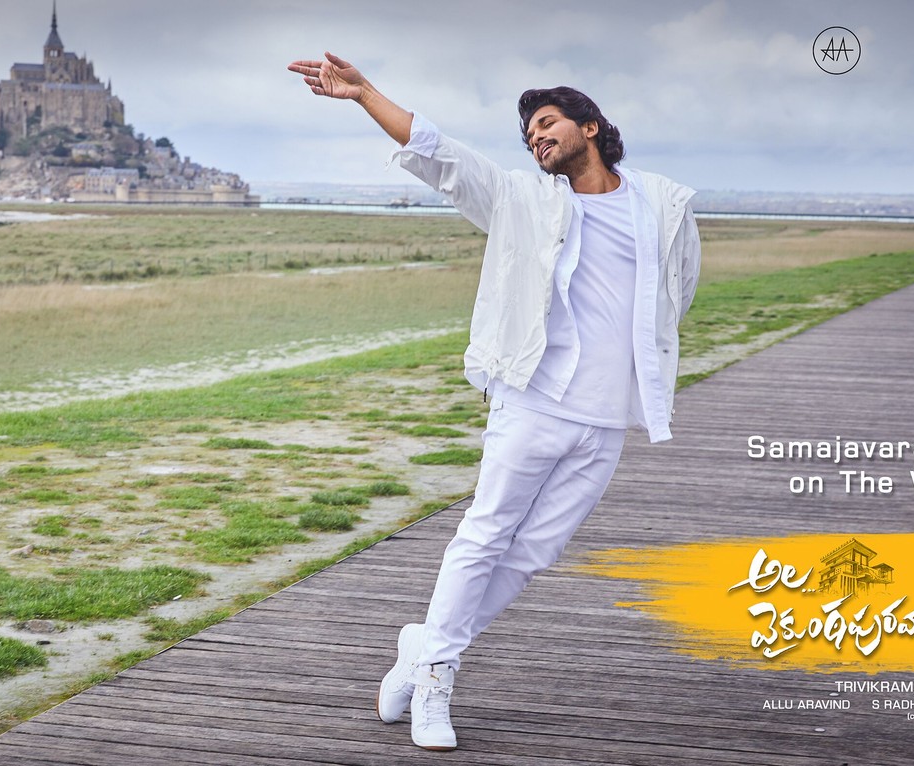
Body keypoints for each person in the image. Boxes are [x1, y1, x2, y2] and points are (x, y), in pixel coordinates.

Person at [287, 52, 702, 751]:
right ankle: (436, 681)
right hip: (533, 400)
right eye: (528, 133)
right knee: (484, 538)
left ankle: (421, 647)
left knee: (533, 555)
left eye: (547, 123)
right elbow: (442, 156)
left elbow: (675, 294)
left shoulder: (660, 203)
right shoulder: (521, 198)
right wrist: (363, 95)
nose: (536, 138)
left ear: (591, 127)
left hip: (605, 418)